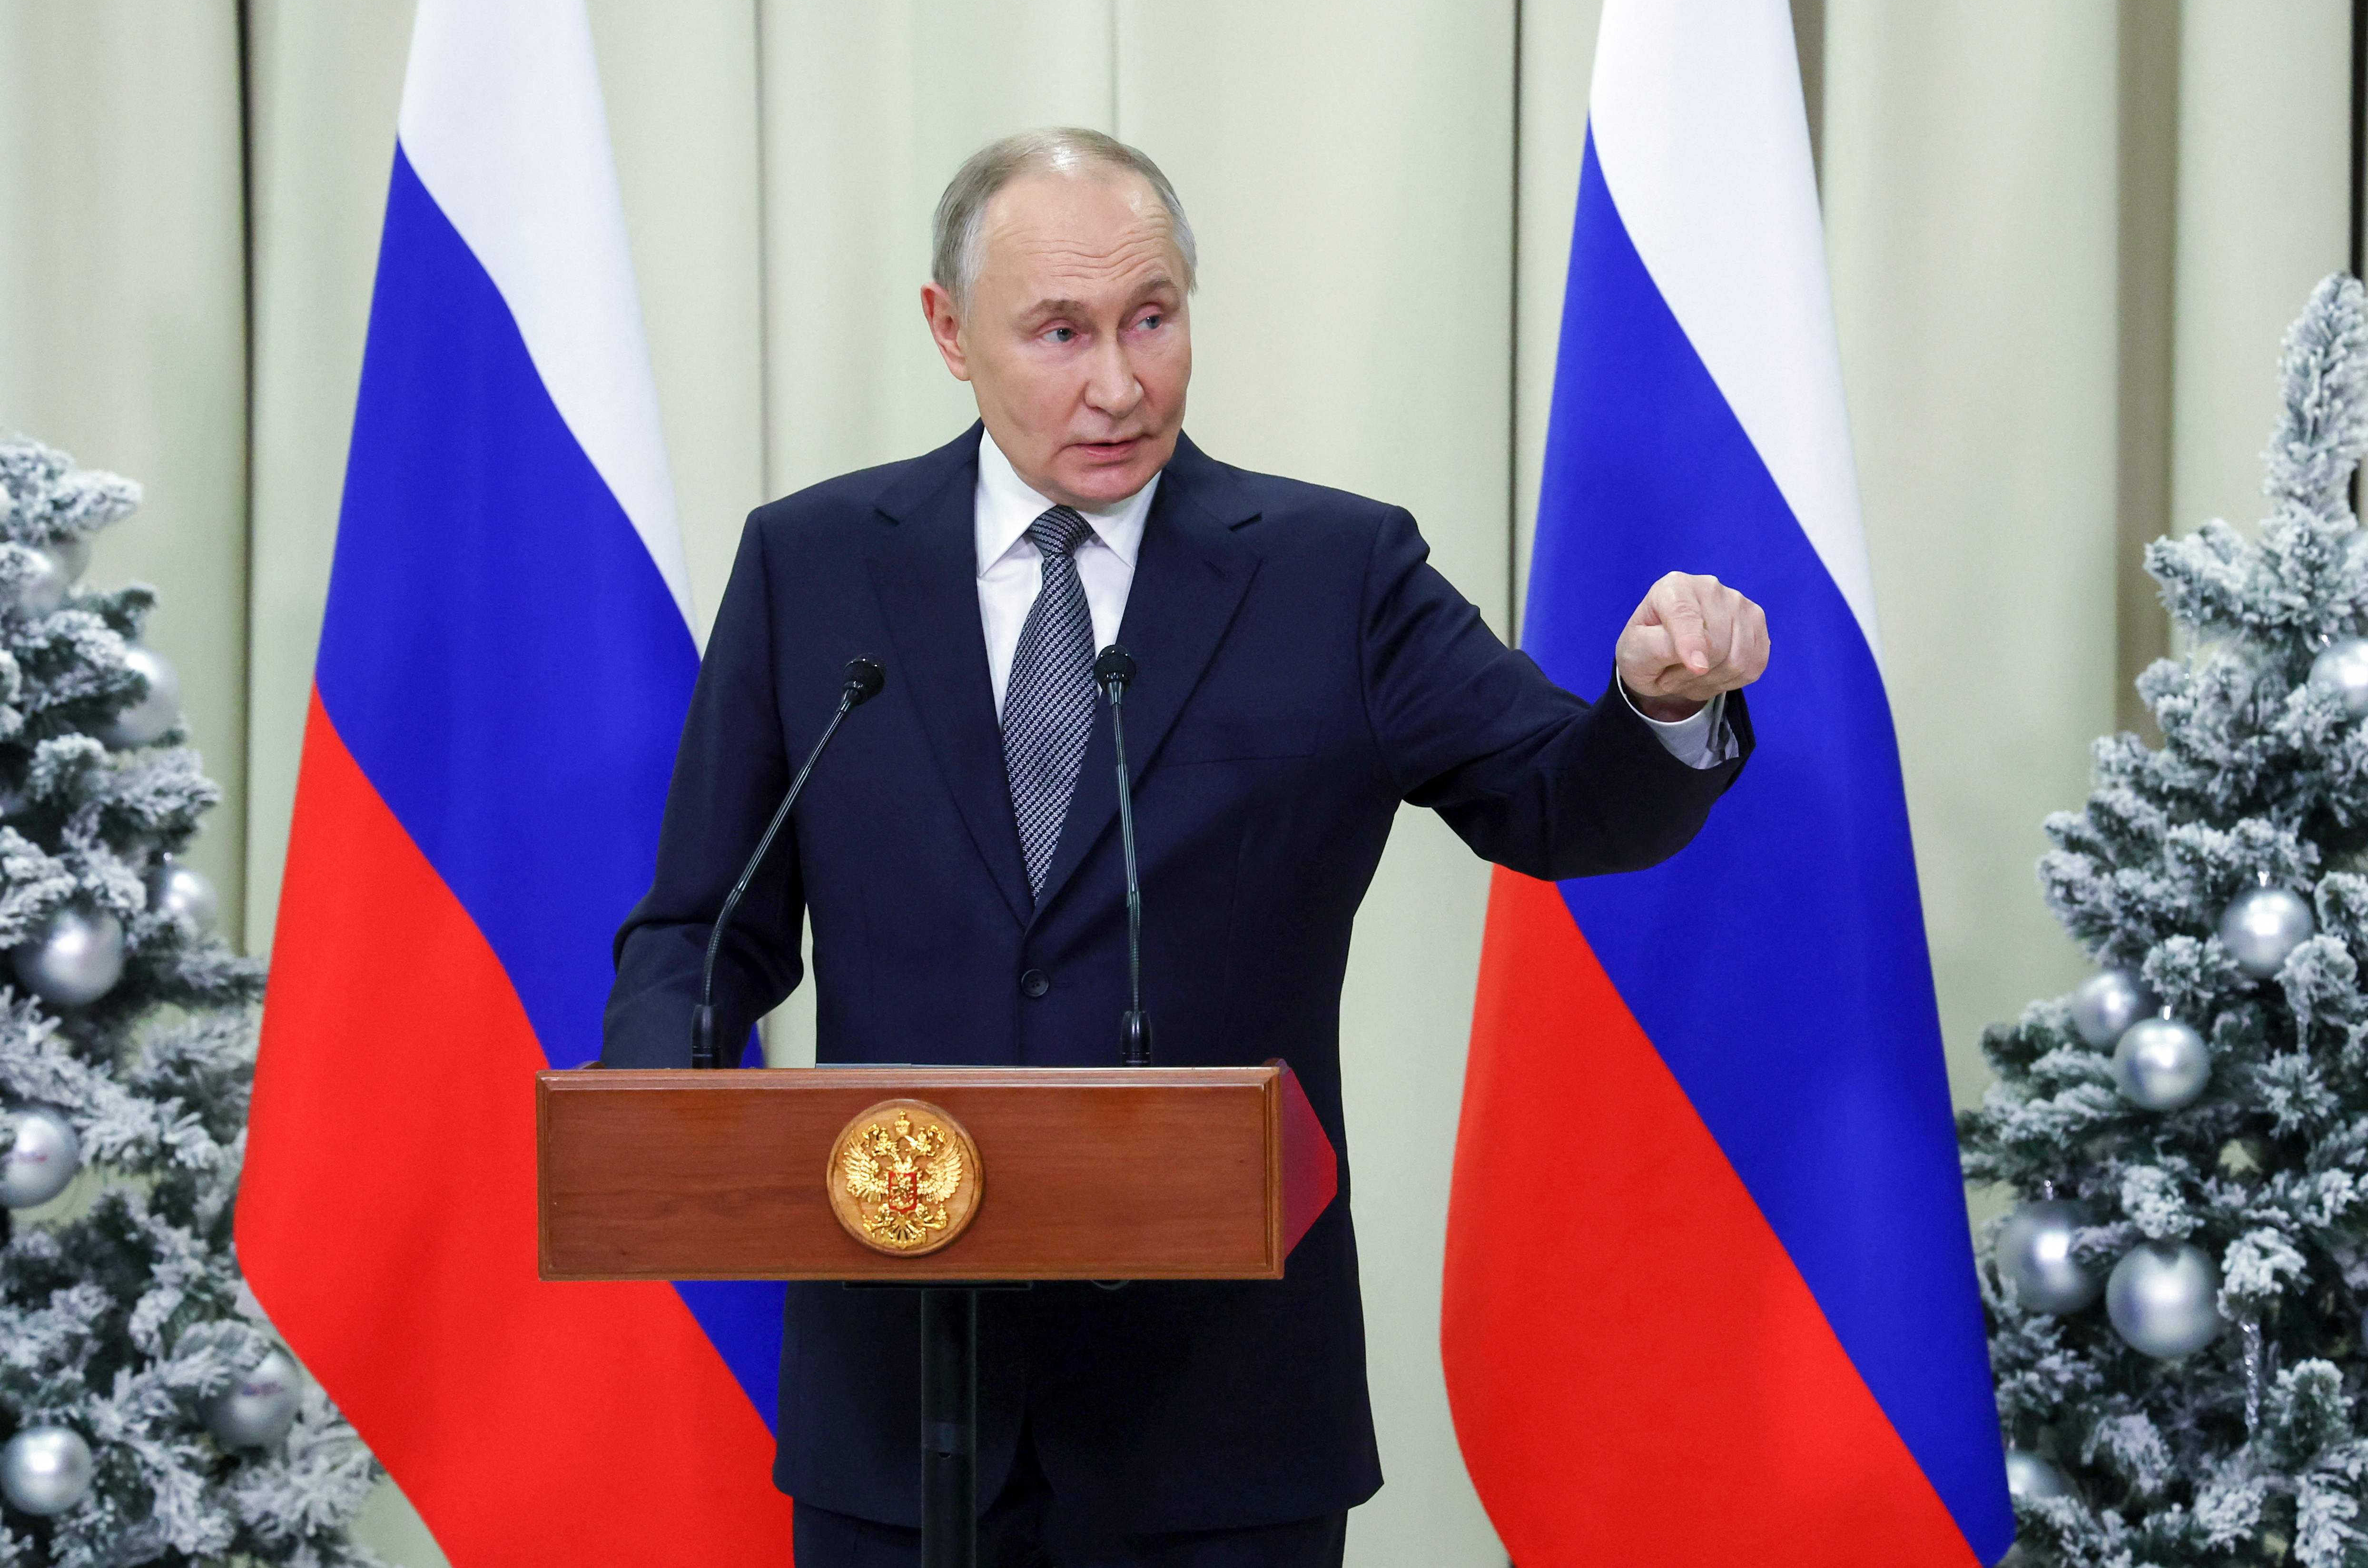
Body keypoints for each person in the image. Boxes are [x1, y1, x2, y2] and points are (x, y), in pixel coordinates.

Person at [604, 127, 1769, 1568]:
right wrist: (654, 1116)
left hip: (1218, 1427)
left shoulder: (1335, 573)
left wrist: (1657, 707)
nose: (1119, 383)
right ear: (947, 332)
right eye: (1059, 332)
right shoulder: (813, 564)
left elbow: (1555, 800)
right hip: (894, 1412)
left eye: (1151, 320)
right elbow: (703, 926)